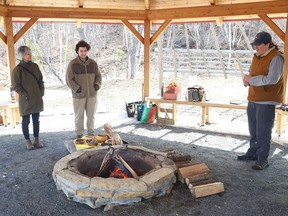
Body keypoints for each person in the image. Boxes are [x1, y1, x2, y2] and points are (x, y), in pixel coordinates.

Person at [238, 31, 284, 170]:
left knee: (263, 131)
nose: (256, 47)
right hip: (253, 97)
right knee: (253, 130)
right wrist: (247, 81)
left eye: (258, 44)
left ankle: (263, 159)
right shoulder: (257, 56)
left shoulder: (276, 57)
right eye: (255, 44)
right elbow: (251, 73)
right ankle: (253, 152)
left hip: (267, 99)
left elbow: (272, 79)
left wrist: (250, 80)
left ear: (267, 44)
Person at [66, 40, 102, 138]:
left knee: (91, 115)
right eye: (81, 51)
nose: (83, 53)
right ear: (77, 51)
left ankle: (90, 133)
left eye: (85, 51)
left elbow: (98, 76)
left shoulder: (93, 63)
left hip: (92, 94)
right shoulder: (73, 64)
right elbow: (69, 79)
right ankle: (79, 134)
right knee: (79, 115)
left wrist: (97, 85)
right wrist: (77, 89)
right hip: (79, 95)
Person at [11, 46, 45, 150]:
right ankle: (28, 141)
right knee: (26, 121)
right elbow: (15, 85)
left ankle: (37, 139)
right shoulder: (17, 70)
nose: (30, 55)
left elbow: (40, 79)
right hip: (25, 99)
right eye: (27, 53)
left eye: (30, 53)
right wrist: (25, 95)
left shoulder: (35, 66)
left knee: (36, 120)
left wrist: (41, 91)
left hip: (36, 97)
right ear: (22, 55)